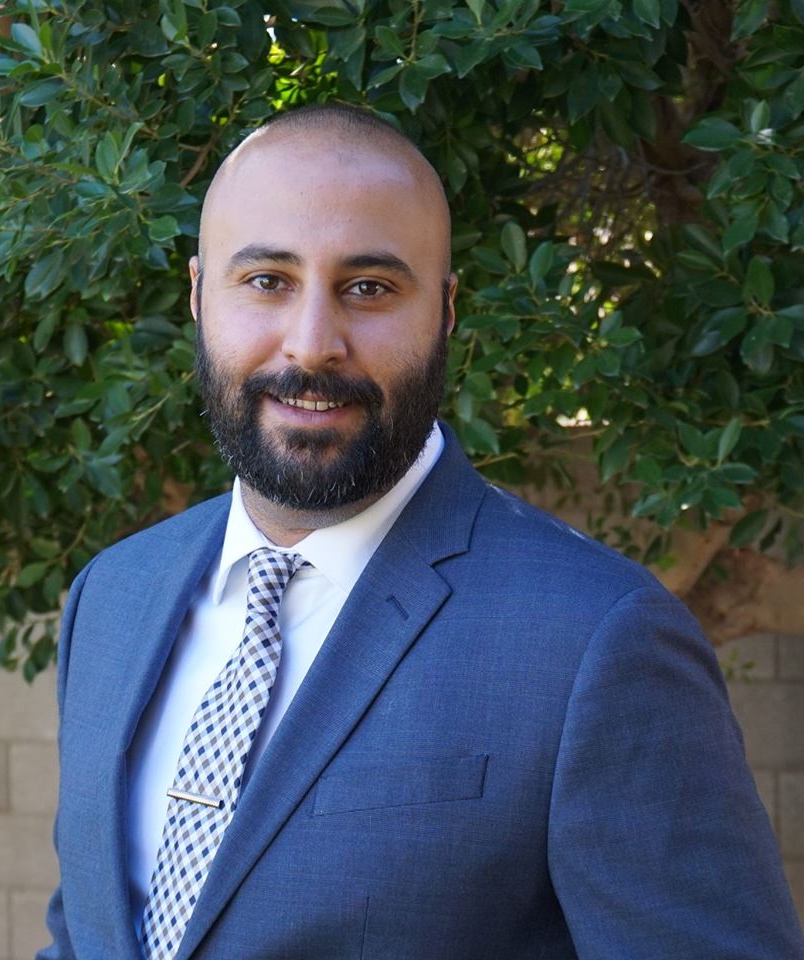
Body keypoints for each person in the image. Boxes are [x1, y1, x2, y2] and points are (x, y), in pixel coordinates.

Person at [39, 104, 804, 960]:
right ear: (196, 295)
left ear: (444, 310)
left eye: (369, 287)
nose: (312, 345)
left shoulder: (597, 641)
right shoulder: (111, 597)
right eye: (266, 280)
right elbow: (86, 933)